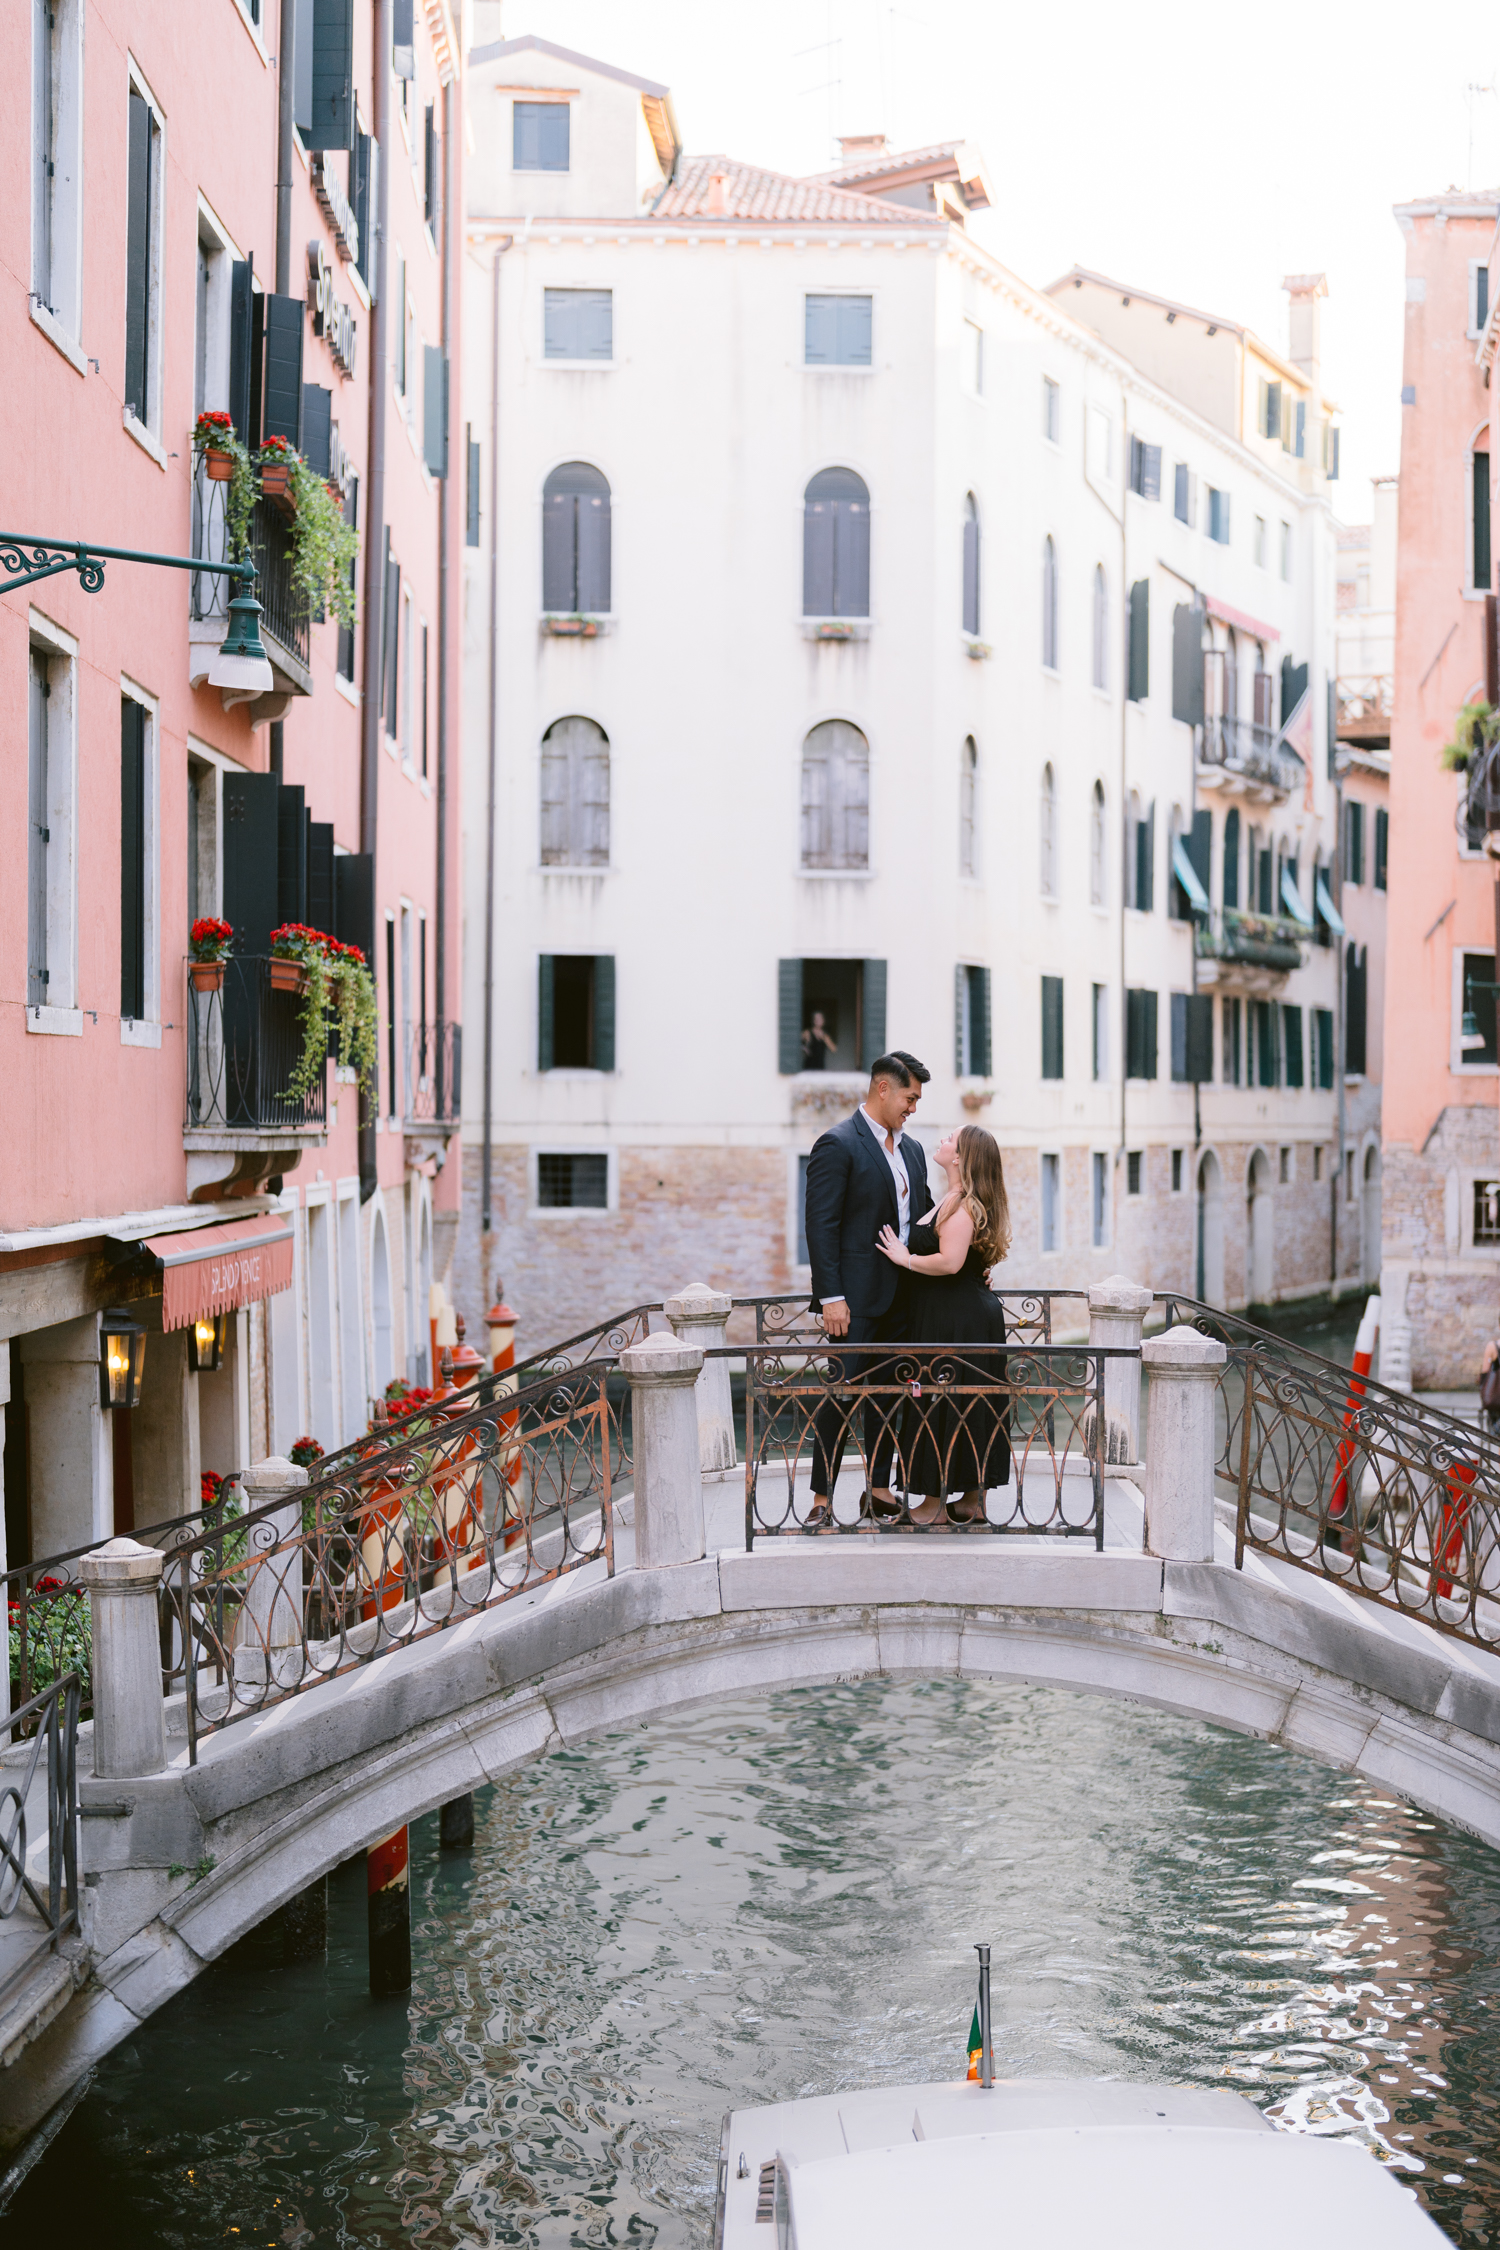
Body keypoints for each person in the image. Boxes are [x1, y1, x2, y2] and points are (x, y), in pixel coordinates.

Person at [804, 1052, 934, 1526]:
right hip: (855, 1302)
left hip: (906, 1298)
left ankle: (878, 1491)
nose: (913, 1108)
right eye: (909, 1097)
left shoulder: (914, 1151)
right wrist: (832, 1296)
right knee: (838, 1397)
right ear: (883, 1088)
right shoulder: (837, 1144)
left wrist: (971, 1260)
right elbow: (821, 1226)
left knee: (891, 1396)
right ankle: (821, 1501)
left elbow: (927, 1217)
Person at [876, 1124, 1011, 1526]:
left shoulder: (963, 1204)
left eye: (950, 1139)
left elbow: (951, 1261)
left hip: (958, 1319)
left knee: (948, 1400)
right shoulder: (952, 1200)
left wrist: (906, 1259)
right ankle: (971, 1501)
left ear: (961, 1157)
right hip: (953, 1314)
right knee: (958, 1399)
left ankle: (935, 1506)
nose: (942, 1141)